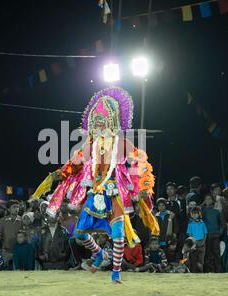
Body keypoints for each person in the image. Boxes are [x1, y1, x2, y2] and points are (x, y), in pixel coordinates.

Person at [31, 87, 160, 283]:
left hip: (115, 194)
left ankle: (115, 274)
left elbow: (140, 162)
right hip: (95, 194)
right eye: (96, 121)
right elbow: (74, 164)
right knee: (80, 234)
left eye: (102, 121)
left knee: (118, 236)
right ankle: (100, 254)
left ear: (111, 121)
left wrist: (142, 186)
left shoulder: (122, 143)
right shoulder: (90, 145)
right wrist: (59, 174)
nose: (98, 125)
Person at [0, 200, 23, 269]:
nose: (16, 209)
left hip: (18, 251)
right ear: (9, 209)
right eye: (14, 207)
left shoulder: (22, 220)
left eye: (17, 207)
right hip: (6, 251)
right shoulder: (2, 220)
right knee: (5, 272)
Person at [202, 194, 221, 272]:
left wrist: (220, 233)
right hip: (207, 235)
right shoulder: (202, 211)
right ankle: (210, 270)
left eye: (210, 199)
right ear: (204, 201)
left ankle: (218, 270)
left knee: (216, 253)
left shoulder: (216, 212)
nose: (208, 201)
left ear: (213, 201)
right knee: (208, 253)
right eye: (206, 199)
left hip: (216, 234)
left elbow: (221, 224)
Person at [186, 205, 207, 272]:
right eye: (193, 214)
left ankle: (201, 272)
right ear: (191, 215)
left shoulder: (202, 223)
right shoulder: (190, 224)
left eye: (196, 213)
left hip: (202, 243)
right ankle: (193, 272)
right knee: (193, 259)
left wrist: (203, 242)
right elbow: (190, 234)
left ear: (199, 214)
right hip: (194, 243)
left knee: (201, 260)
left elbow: (205, 233)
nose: (195, 215)